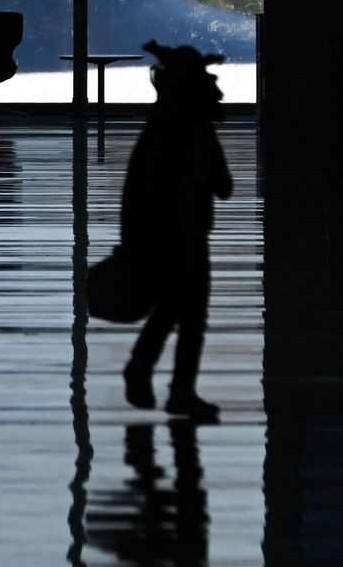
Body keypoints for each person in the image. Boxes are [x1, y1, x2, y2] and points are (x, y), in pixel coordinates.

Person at [120, 40, 232, 423]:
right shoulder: (198, 132)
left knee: (173, 307)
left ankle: (144, 367)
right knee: (191, 314)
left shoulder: (158, 130)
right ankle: (177, 389)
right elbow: (225, 186)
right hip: (189, 233)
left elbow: (135, 191)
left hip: (159, 233)